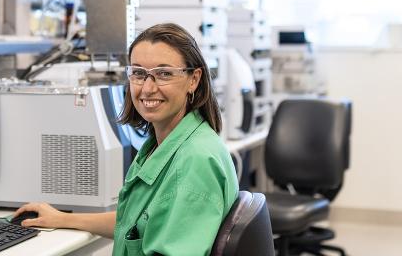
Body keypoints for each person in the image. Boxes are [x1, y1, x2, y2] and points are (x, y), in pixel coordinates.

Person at [13, 23, 239, 255]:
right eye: (139, 74)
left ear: (194, 79)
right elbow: (134, 224)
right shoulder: (165, 143)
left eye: (164, 74)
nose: (148, 88)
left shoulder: (194, 162)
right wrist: (61, 218)